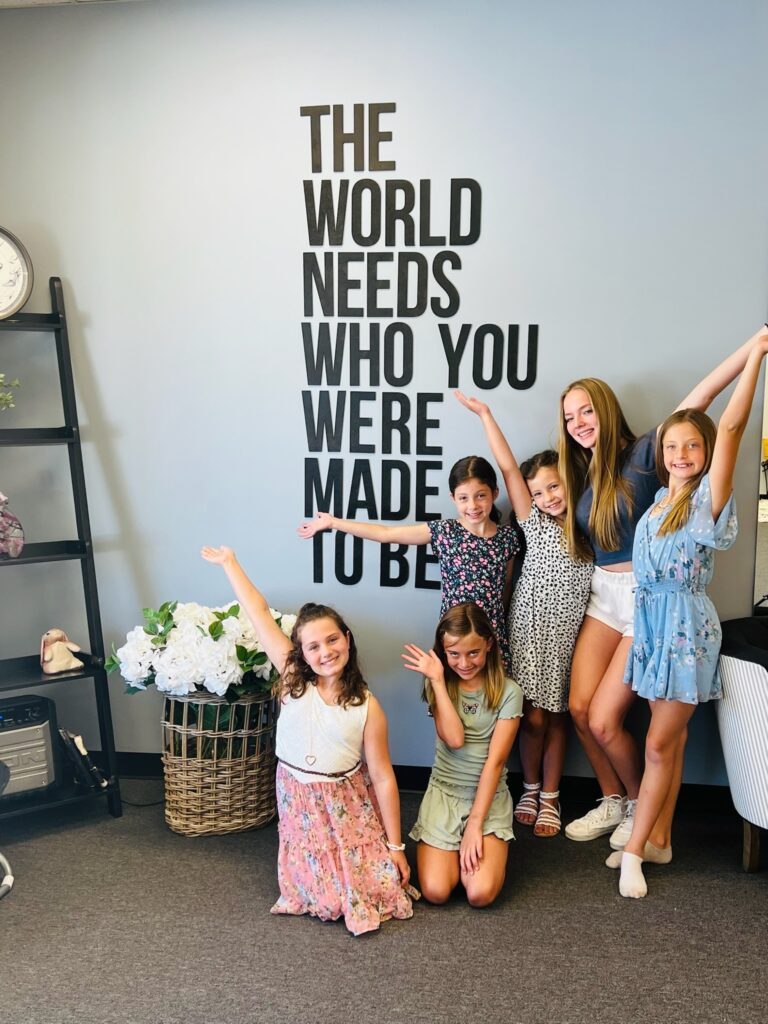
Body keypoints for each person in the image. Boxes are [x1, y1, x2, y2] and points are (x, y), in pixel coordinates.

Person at [559, 326, 768, 851]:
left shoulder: (650, 452)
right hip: (601, 595)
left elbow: (704, 401)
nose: (578, 423)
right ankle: (616, 801)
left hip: (648, 601)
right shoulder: (582, 473)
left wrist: (755, 345)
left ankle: (641, 811)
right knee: (580, 709)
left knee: (608, 721)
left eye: (586, 410)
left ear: (606, 410)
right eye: (568, 417)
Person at [617, 333, 768, 898]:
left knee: (657, 745)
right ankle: (660, 838)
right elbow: (697, 410)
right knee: (670, 744)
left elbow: (727, 426)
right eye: (672, 447)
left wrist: (755, 356)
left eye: (692, 448)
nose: (681, 455)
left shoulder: (709, 498)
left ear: (705, 455)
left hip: (685, 631)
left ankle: (636, 847)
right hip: (654, 626)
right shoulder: (658, 500)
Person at [201, 545, 417, 936]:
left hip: (342, 800)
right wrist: (231, 563)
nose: (326, 652)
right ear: (300, 653)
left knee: (372, 888)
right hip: (297, 795)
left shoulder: (368, 706)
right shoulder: (292, 680)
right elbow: (258, 611)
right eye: (313, 646)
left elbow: (383, 778)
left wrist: (396, 847)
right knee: (324, 898)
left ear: (347, 640)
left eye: (332, 640)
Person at [456, 391, 593, 837]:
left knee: (558, 716)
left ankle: (551, 794)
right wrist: (485, 416)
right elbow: (510, 469)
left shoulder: (591, 525)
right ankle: (530, 786)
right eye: (538, 492)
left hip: (572, 635)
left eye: (554, 486)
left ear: (570, 483)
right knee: (530, 715)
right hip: (530, 631)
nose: (548, 496)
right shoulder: (532, 523)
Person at [298, 456, 520, 672]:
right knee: (450, 697)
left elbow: (506, 590)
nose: (472, 505)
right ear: (453, 498)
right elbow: (387, 534)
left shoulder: (507, 538)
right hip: (454, 637)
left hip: (492, 636)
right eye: (464, 498)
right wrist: (334, 522)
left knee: (495, 701)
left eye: (480, 496)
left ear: (495, 493)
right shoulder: (445, 531)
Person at [402, 602, 522, 906]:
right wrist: (438, 683)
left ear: (489, 646)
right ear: (443, 652)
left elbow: (495, 763)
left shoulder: (509, 692)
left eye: (473, 653)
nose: (464, 663)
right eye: (453, 654)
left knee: (480, 894)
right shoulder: (438, 683)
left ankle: (471, 849)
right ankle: (450, 850)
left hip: (487, 797)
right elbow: (454, 739)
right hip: (444, 793)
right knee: (436, 891)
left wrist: (475, 825)